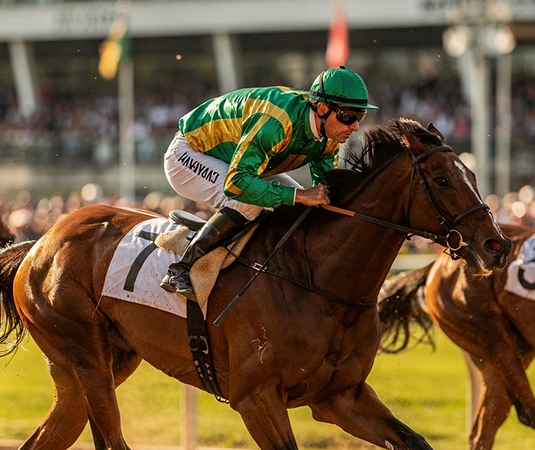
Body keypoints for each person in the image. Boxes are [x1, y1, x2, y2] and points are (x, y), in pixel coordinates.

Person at [159, 66, 377, 300]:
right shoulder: (276, 123)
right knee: (250, 201)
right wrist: (299, 195)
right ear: (322, 109)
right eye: (348, 116)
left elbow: (326, 191)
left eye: (360, 117)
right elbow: (237, 183)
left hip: (238, 160)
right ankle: (182, 269)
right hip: (189, 153)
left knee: (301, 206)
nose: (355, 126)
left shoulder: (329, 135)